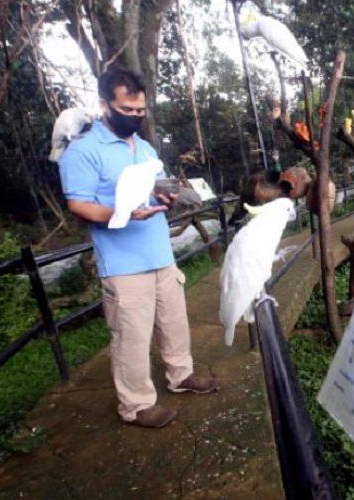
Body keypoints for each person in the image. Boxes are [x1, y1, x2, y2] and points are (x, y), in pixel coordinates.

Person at [58, 67, 218, 429]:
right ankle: (136, 405)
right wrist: (123, 213)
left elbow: (150, 189)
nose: (134, 117)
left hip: (160, 253)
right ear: (104, 105)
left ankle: (181, 375)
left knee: (174, 323)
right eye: (126, 110)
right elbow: (79, 205)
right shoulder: (83, 150)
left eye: (140, 110)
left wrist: (165, 195)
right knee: (131, 337)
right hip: (123, 265)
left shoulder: (143, 147)